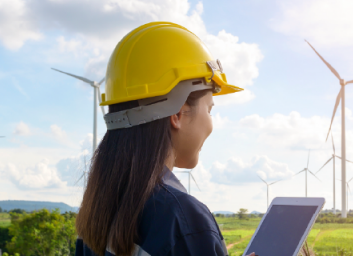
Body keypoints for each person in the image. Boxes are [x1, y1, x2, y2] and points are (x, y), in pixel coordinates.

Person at [74, 21, 255, 256]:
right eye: (209, 110)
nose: (211, 124)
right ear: (178, 113)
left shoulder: (96, 214)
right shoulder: (182, 219)